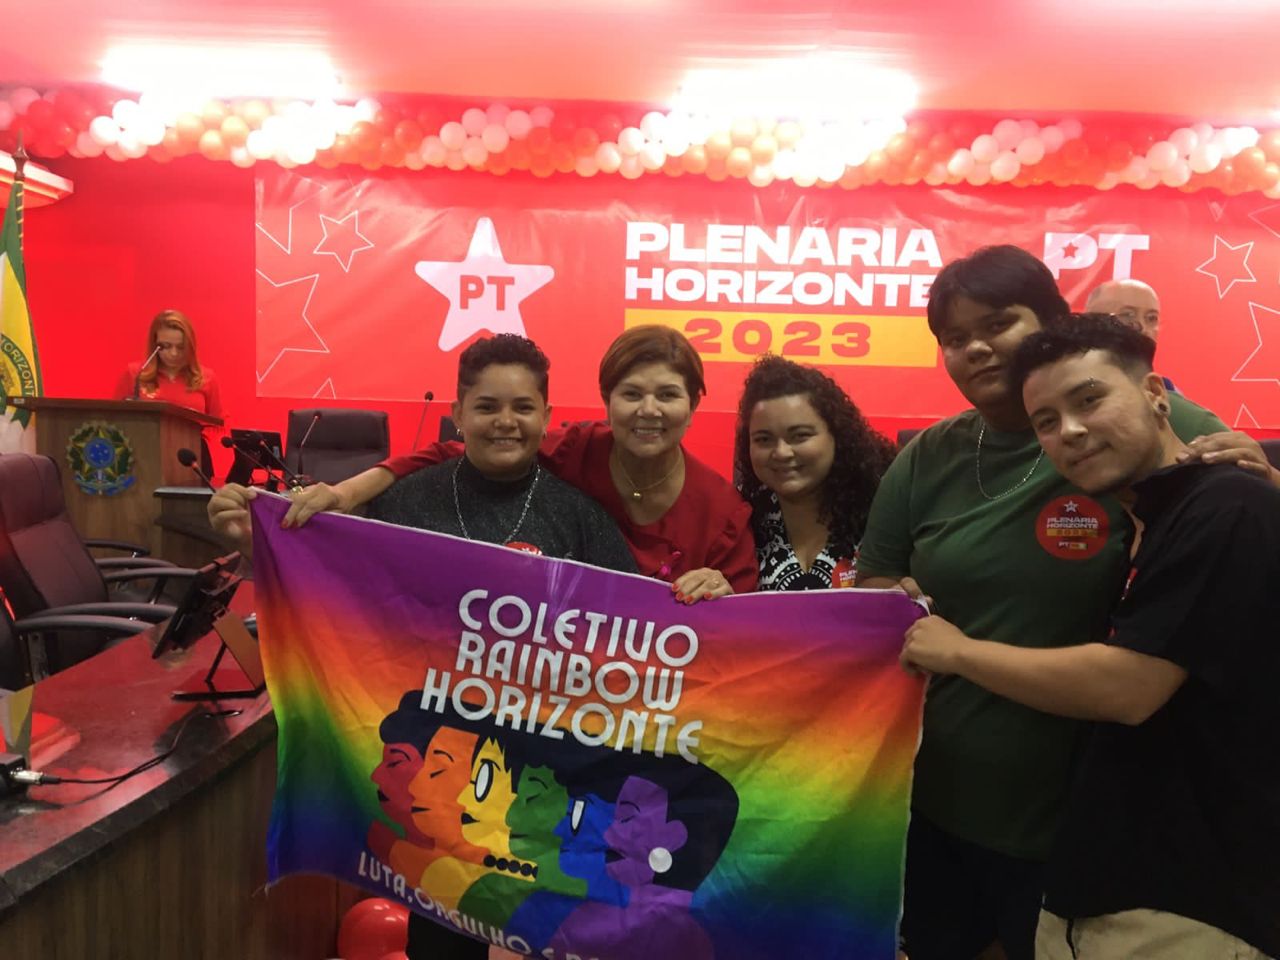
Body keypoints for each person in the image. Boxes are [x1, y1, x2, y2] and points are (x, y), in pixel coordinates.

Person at [854, 245, 1238, 960]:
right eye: (954, 338)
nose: (975, 349)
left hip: (1082, 817)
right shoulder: (929, 455)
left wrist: (1261, 471)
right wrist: (896, 603)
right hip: (932, 798)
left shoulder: (1132, 416)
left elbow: (1235, 497)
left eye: (997, 323)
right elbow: (875, 578)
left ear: (1052, 321)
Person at [208, 334, 639, 959]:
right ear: (458, 413)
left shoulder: (579, 517)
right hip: (438, 766)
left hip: (540, 774)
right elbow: (332, 583)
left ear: (547, 416)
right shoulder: (406, 500)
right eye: (487, 406)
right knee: (442, 934)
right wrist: (252, 540)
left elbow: (637, 634)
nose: (506, 421)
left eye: (523, 407)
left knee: (549, 931)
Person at [272, 325, 757, 601]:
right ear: (607, 402)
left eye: (667, 395)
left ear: (694, 404)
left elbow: (746, 633)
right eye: (631, 394)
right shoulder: (574, 449)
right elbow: (459, 454)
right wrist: (343, 494)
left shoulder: (721, 512)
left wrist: (724, 598)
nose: (648, 411)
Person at [1085, 278, 1280, 485]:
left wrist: (1268, 474)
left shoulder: (1180, 410)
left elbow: (1252, 475)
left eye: (1152, 318)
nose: (1141, 327)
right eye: (1127, 315)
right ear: (1088, 322)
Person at [733, 355, 895, 590]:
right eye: (764, 439)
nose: (782, 452)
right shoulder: (736, 517)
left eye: (800, 436)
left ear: (837, 434)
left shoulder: (886, 507)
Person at [116, 308, 223, 475]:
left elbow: (217, 422)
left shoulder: (206, 378)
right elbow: (117, 420)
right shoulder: (135, 374)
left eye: (180, 347)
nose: (173, 353)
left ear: (190, 346)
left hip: (191, 457)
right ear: (154, 345)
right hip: (145, 457)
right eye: (165, 346)